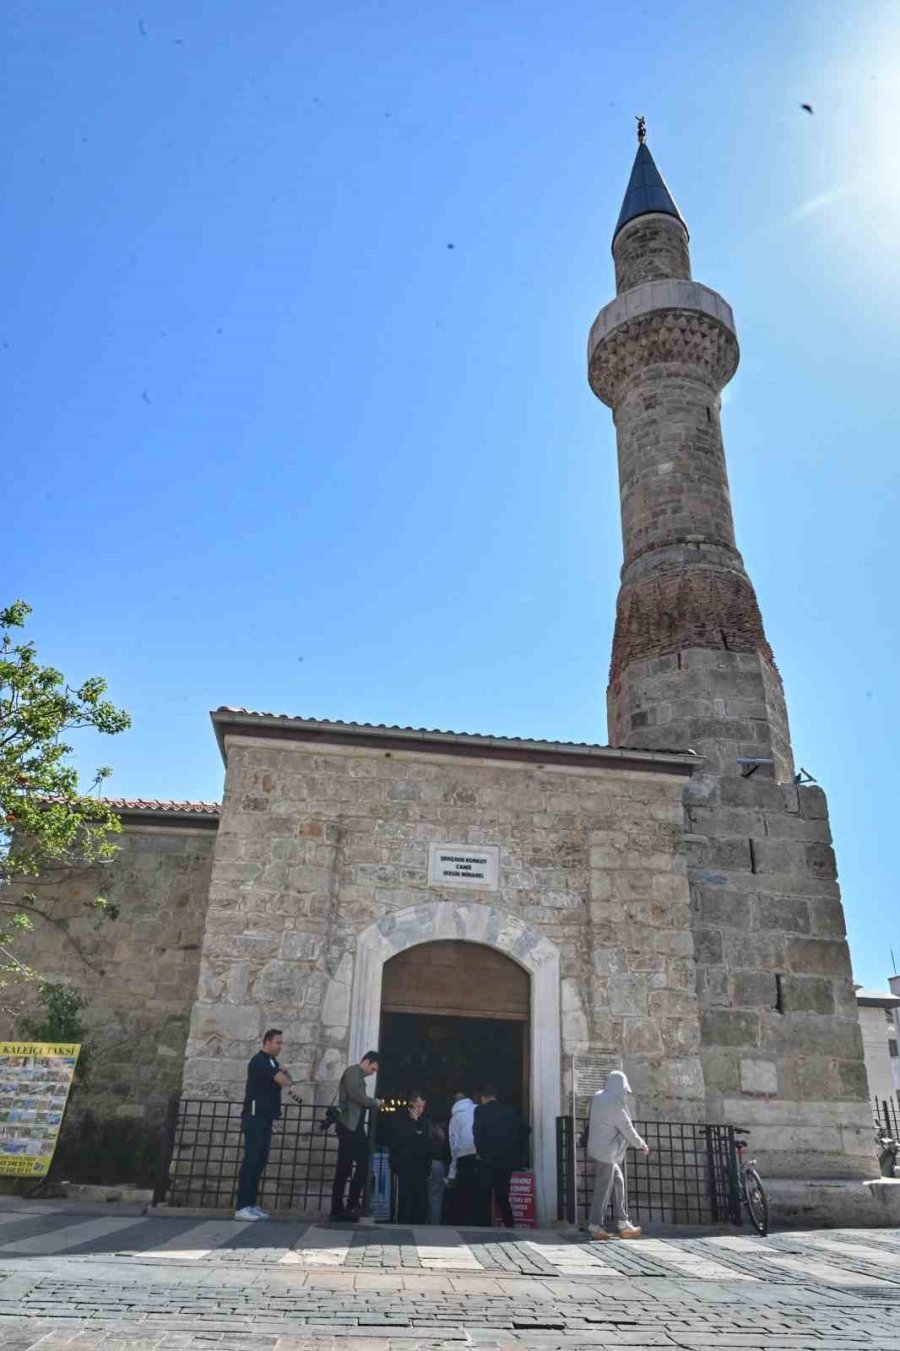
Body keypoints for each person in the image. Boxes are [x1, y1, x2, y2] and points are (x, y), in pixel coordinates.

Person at [235, 1029, 292, 1221]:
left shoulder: (272, 1062)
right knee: (251, 1159)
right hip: (254, 1115)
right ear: (267, 1042)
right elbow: (284, 1082)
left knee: (260, 1160)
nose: (280, 1046)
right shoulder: (259, 1061)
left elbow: (287, 1079)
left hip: (266, 1116)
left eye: (281, 1043)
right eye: (278, 1042)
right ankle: (241, 1206)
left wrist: (284, 1070)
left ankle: (251, 1204)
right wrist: (283, 1073)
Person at [585, 1069, 648, 1240]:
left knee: (618, 1182)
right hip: (607, 1153)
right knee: (603, 1189)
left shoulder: (598, 1097)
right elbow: (627, 1129)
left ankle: (622, 1223)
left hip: (598, 1149)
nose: (625, 1094)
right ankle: (595, 1225)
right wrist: (641, 1145)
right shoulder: (615, 1105)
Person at [329, 1050, 382, 1221]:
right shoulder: (353, 1072)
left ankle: (351, 1204)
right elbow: (356, 1095)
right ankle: (340, 1207)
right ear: (367, 1062)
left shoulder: (357, 1075)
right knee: (344, 1168)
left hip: (354, 1128)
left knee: (361, 1164)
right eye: (373, 1069)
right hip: (348, 1127)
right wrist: (374, 1102)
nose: (373, 1073)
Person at [473, 1086, 522, 1228]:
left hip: (487, 1160)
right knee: (503, 1196)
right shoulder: (510, 1111)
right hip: (506, 1160)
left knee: (485, 1195)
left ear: (483, 1098)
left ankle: (484, 1227)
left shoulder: (480, 1110)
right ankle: (510, 1225)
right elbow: (524, 1130)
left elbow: (477, 1134)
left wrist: (481, 1153)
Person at [391, 1090, 432, 1223]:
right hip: (405, 1165)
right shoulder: (401, 1120)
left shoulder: (424, 1121)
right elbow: (399, 1142)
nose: (421, 1110)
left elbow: (426, 1143)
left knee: (420, 1200)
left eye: (423, 1107)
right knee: (405, 1198)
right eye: (418, 1106)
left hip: (420, 1166)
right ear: (411, 1104)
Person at [447, 1090, 479, 1225]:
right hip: (480, 1156)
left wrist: (452, 1172)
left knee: (464, 1194)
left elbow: (453, 1145)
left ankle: (465, 1222)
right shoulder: (477, 1109)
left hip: (463, 1158)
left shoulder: (455, 1118)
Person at [427, 1116, 450, 1225]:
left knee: (429, 1196)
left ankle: (428, 1221)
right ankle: (435, 1223)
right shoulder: (444, 1131)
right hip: (440, 1163)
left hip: (429, 1163)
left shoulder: (428, 1129)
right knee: (436, 1197)